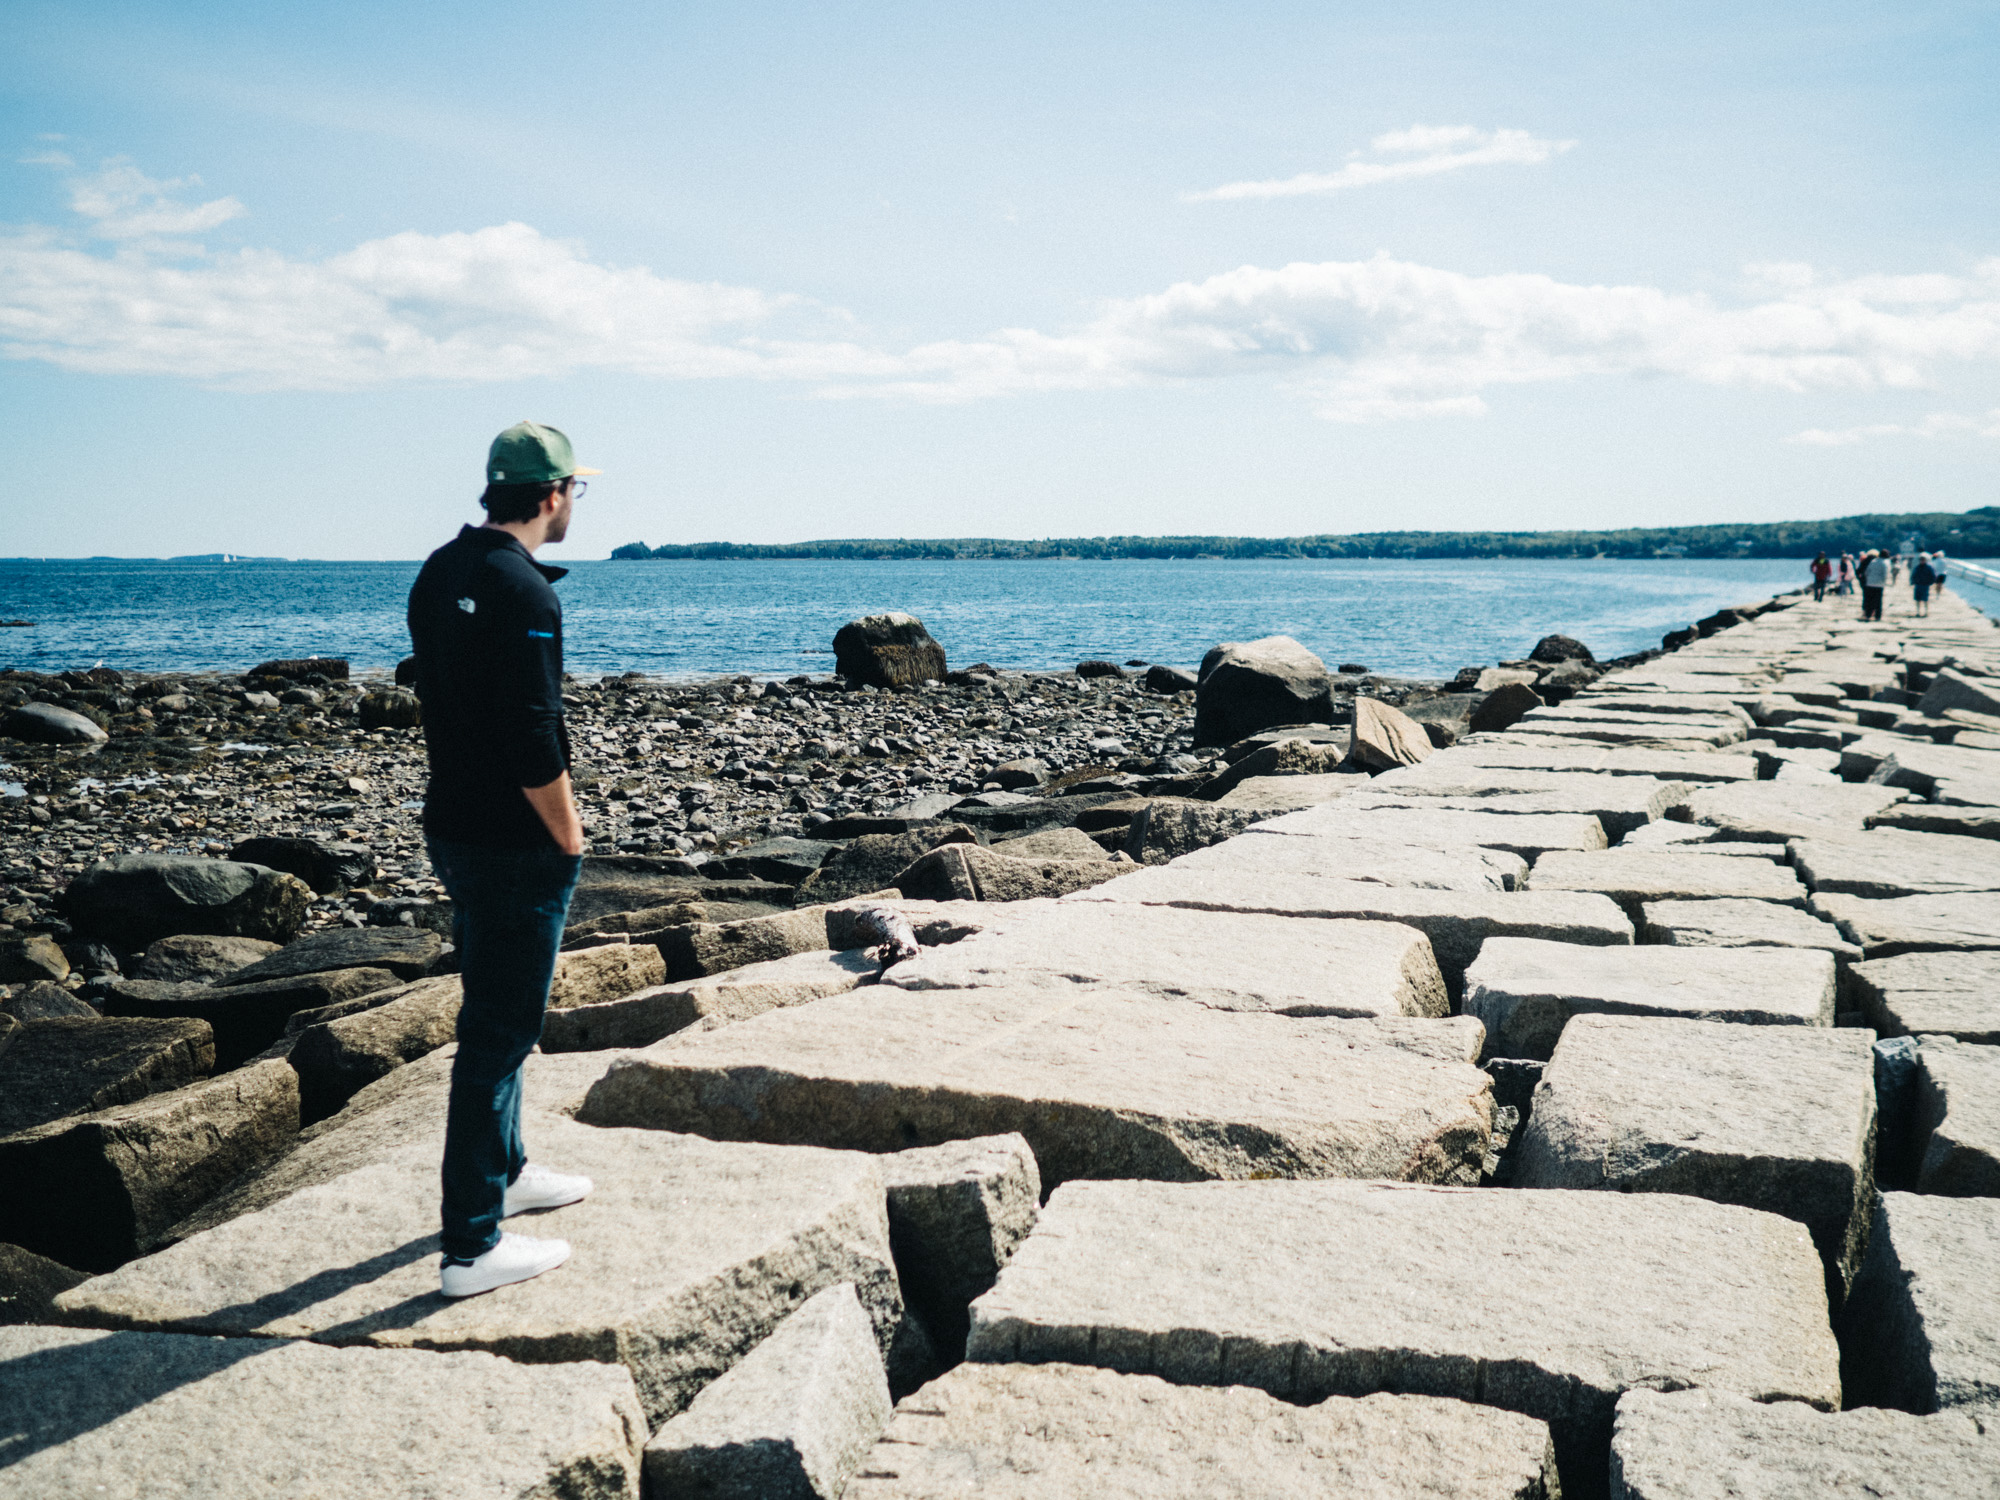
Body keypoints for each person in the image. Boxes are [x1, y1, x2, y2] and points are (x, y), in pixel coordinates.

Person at [407, 420, 600, 1298]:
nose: (573, 506)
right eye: (576, 492)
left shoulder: (441, 571)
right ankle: (471, 1246)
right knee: (499, 1034)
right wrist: (568, 832)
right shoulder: (526, 594)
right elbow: (533, 734)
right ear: (553, 494)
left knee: (495, 1014)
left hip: (452, 823)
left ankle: (510, 1171)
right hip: (514, 842)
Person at [1860, 548, 1889, 621]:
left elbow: (1866, 572)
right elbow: (1885, 574)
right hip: (1879, 584)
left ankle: (1868, 615)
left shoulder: (1873, 561)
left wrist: (1868, 579)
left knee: (1870, 599)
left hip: (1870, 583)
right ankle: (1877, 616)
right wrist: (1884, 582)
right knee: (1878, 601)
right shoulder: (1884, 563)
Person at [1912, 552, 1937, 617]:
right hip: (1918, 585)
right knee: (1918, 600)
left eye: (1923, 559)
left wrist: (1930, 583)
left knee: (1925, 600)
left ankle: (1926, 612)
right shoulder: (1917, 567)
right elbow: (1914, 575)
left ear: (1925, 560)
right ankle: (1918, 612)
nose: (1922, 561)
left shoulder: (1929, 567)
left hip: (1925, 585)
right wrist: (1914, 581)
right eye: (1921, 560)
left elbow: (1933, 576)